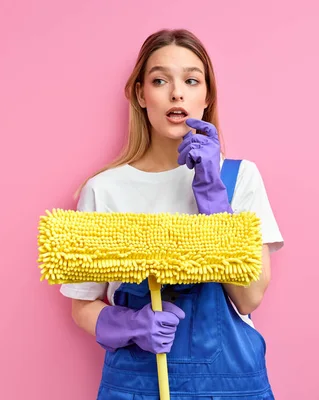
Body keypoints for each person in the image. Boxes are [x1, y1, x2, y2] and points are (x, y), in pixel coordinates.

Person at [60, 28, 284, 399]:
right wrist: (130, 325)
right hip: (135, 387)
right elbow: (81, 305)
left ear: (206, 95)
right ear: (140, 94)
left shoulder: (240, 177)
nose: (177, 92)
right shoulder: (104, 189)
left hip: (229, 386)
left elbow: (249, 298)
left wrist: (212, 191)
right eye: (160, 80)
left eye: (191, 80)